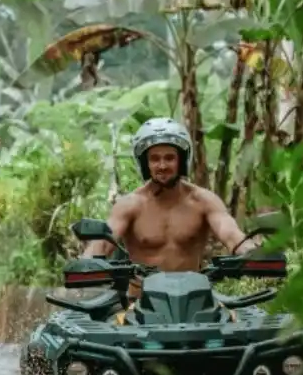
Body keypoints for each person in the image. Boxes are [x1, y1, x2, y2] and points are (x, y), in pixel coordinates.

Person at [83, 117, 262, 295]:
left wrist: (254, 254)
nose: (162, 165)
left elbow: (231, 235)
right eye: (154, 159)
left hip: (194, 302)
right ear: (145, 163)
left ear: (181, 160)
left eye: (169, 158)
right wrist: (85, 265)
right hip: (140, 306)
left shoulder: (203, 201)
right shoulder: (130, 205)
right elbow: (103, 245)